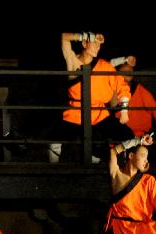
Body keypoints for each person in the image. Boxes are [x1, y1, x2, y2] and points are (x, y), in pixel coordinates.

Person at [50, 31, 132, 163]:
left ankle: (121, 166)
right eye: (94, 44)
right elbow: (64, 37)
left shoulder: (104, 66)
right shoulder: (74, 62)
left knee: (126, 134)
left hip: (99, 113)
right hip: (75, 113)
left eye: (99, 45)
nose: (97, 48)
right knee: (55, 138)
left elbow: (121, 84)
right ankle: (52, 169)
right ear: (84, 43)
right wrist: (89, 36)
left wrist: (124, 109)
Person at [111, 55, 156, 138]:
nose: (128, 71)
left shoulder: (138, 88)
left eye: (130, 70)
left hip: (142, 132)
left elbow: (151, 103)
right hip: (123, 132)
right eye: (125, 69)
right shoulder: (111, 88)